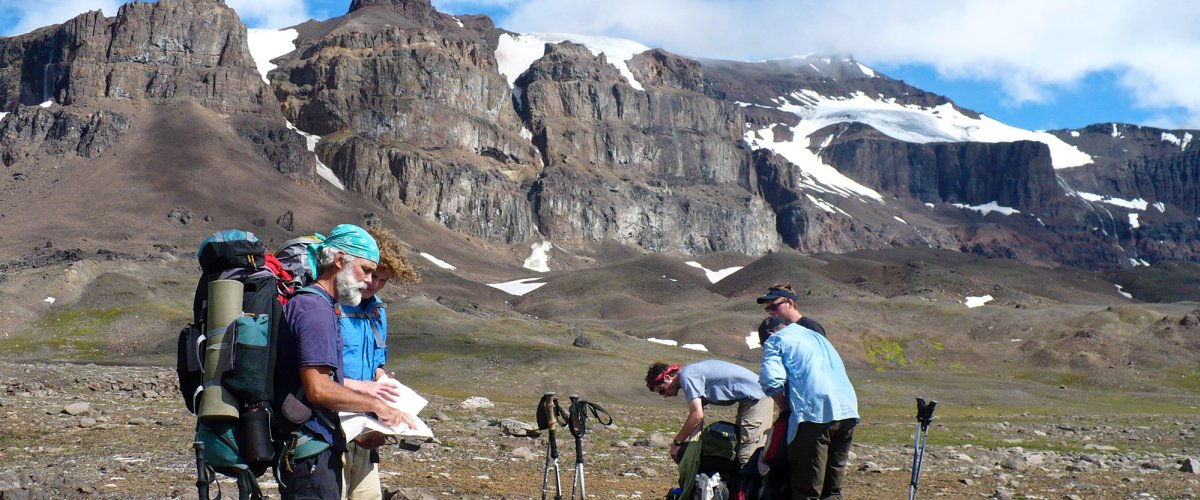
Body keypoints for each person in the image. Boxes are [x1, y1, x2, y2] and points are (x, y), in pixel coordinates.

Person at [273, 224, 415, 499]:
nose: (369, 282)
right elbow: (319, 388)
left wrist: (379, 389)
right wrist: (375, 404)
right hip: (313, 441)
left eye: (378, 276)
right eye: (366, 271)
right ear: (339, 261)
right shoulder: (316, 310)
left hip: (328, 437)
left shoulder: (329, 307)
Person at [338, 226, 419, 500]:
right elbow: (317, 376)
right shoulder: (333, 303)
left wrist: (383, 380)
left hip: (366, 426)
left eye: (383, 280)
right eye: (371, 275)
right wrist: (366, 391)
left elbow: (377, 363)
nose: (374, 284)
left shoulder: (378, 310)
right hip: (332, 425)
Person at [759, 303, 859, 499]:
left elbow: (770, 379)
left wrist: (785, 408)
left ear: (769, 335)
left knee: (807, 488)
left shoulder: (776, 340)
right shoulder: (814, 335)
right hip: (848, 410)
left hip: (815, 414)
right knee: (833, 488)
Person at [645, 360, 773, 468]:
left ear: (667, 378)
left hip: (758, 397)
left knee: (748, 455)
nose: (665, 396)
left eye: (662, 390)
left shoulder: (687, 376)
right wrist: (693, 449)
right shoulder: (690, 374)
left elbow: (697, 415)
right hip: (748, 400)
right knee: (739, 450)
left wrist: (677, 443)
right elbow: (698, 419)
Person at [757, 284, 826, 336]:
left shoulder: (811, 327)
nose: (771, 313)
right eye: (768, 309)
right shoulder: (779, 329)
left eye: (774, 307)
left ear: (790, 303)